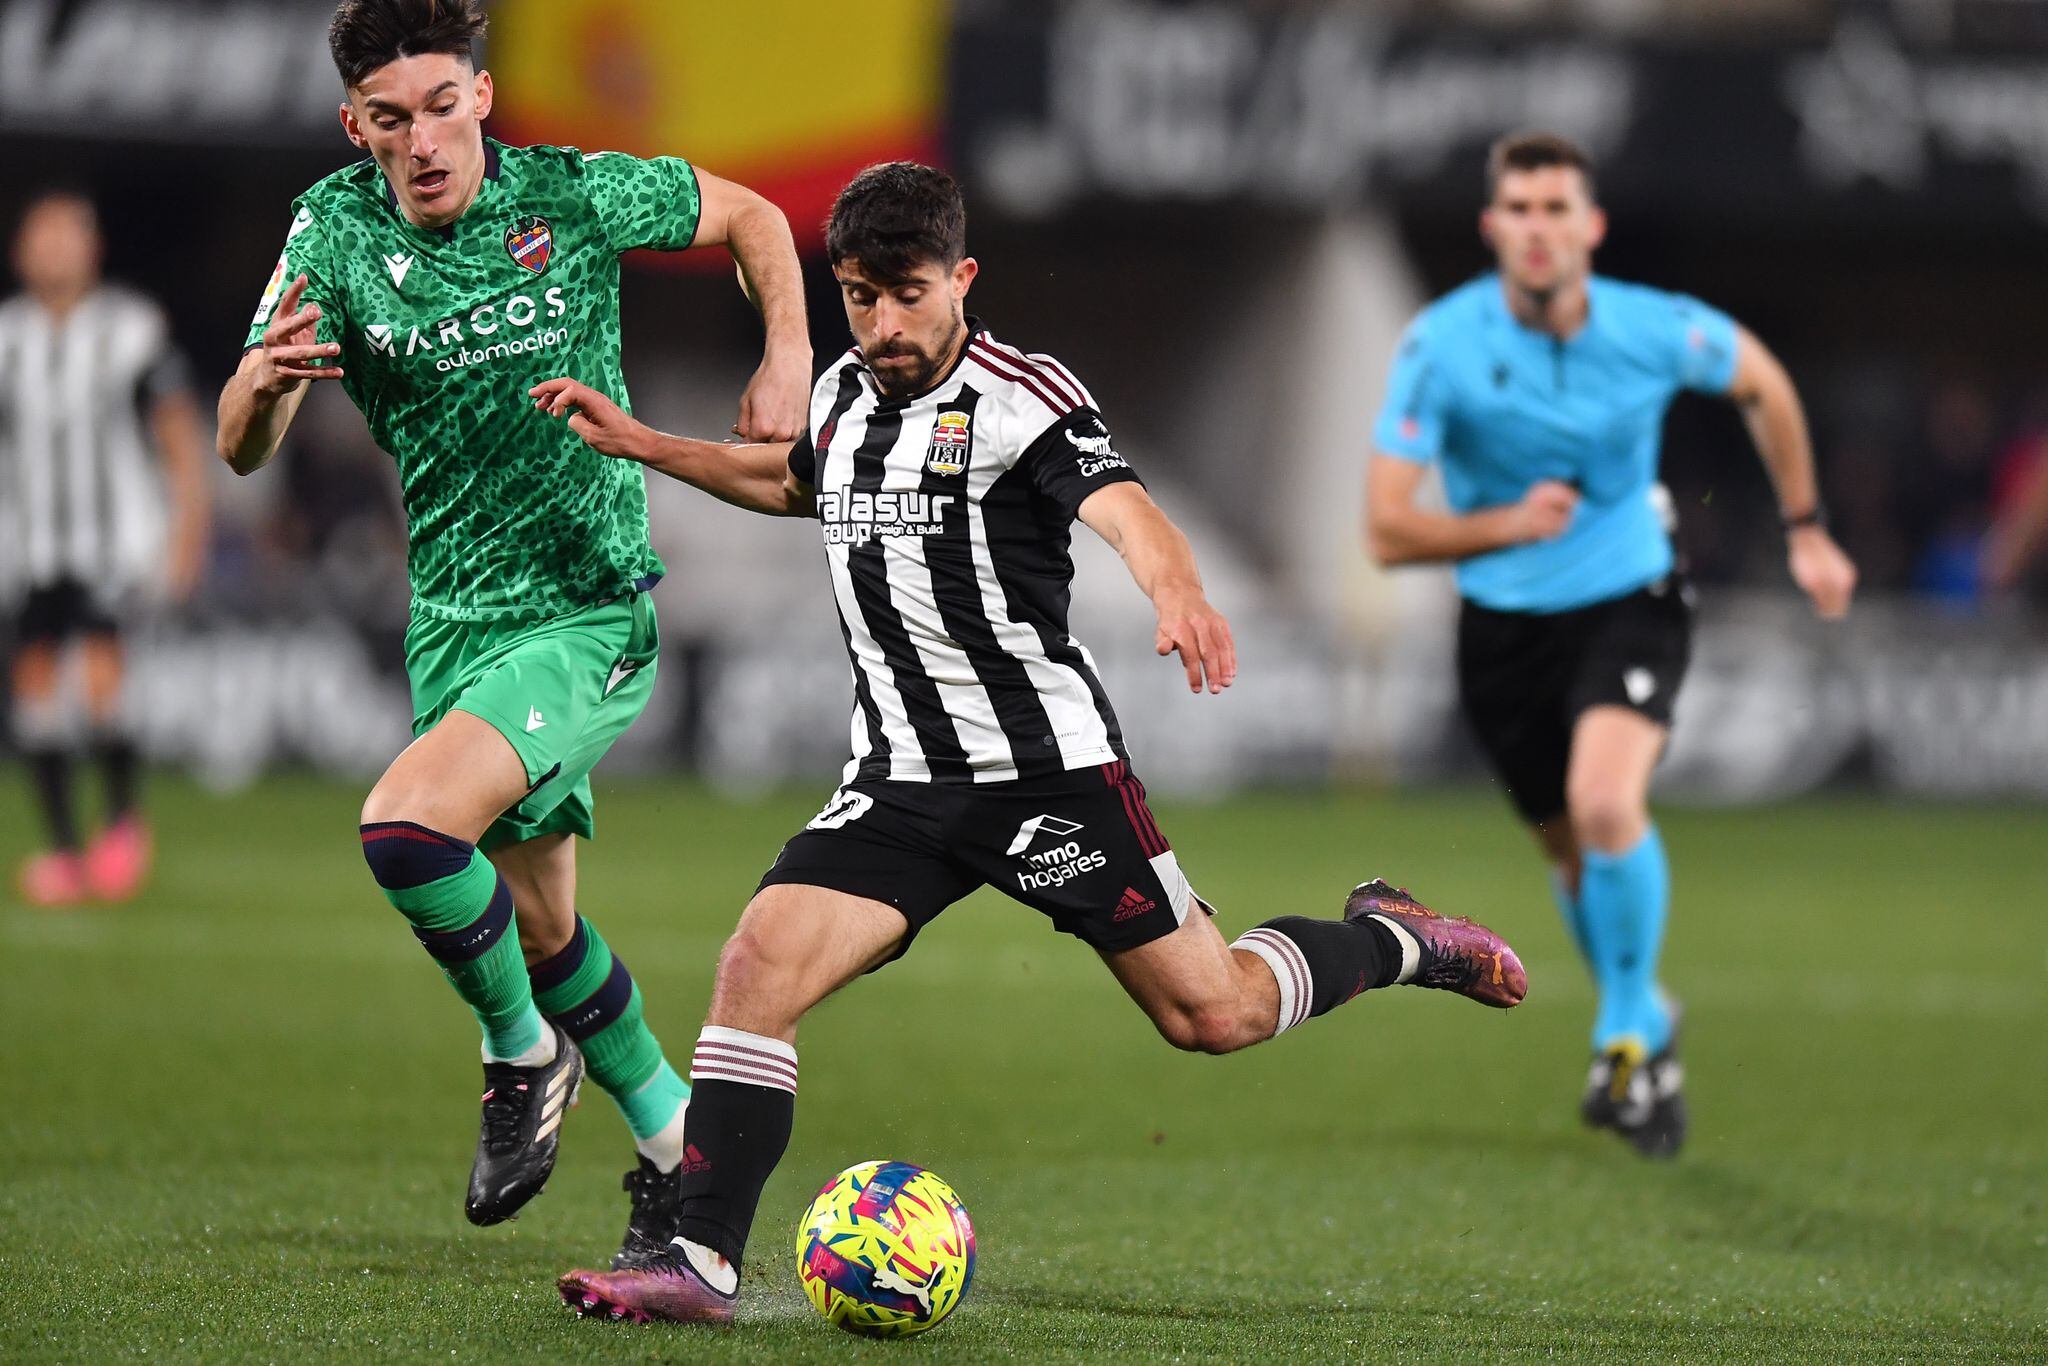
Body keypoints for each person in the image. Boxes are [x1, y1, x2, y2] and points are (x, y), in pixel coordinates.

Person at [528, 161, 1528, 1325]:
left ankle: (1392, 938)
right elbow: (795, 480)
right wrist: (647, 443)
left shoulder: (1023, 397)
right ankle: (696, 1267)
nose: (882, 323)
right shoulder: (846, 396)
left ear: (961, 277)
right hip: (898, 784)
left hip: (1045, 778)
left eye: (906, 293)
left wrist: (1179, 593)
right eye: (858, 296)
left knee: (1211, 1013)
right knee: (757, 963)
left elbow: (1129, 512)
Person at [213, 0, 811, 1264]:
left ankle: (519, 1058)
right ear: (354, 126)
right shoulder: (328, 232)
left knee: (407, 829)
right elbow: (239, 446)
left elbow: (754, 216)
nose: (421, 140)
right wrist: (258, 389)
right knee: (542, 935)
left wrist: (787, 352)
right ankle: (673, 1156)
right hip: (455, 626)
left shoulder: (575, 194)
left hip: (589, 609)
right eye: (391, 119)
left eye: (441, 106)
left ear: (481, 97)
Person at [1364, 132, 1858, 1157]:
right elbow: (1384, 528)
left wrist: (1804, 527)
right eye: (1520, 209)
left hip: (1628, 592)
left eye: (1556, 209)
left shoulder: (1649, 327)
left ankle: (1624, 1025)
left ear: (1587, 227)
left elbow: (1761, 381)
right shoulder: (1438, 346)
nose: (1538, 228)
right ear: (1491, 226)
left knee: (1603, 803)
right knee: (1567, 848)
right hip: (1498, 625)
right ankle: (1646, 1016)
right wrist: (1501, 524)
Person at [1, 189, 210, 906]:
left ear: (92, 249)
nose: (53, 249)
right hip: (28, 546)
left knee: (98, 679)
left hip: (114, 542)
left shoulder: (131, 329)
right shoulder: (8, 336)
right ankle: (63, 849)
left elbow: (178, 433)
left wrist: (188, 531)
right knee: (33, 694)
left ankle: (120, 822)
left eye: (67, 235)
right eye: (41, 235)